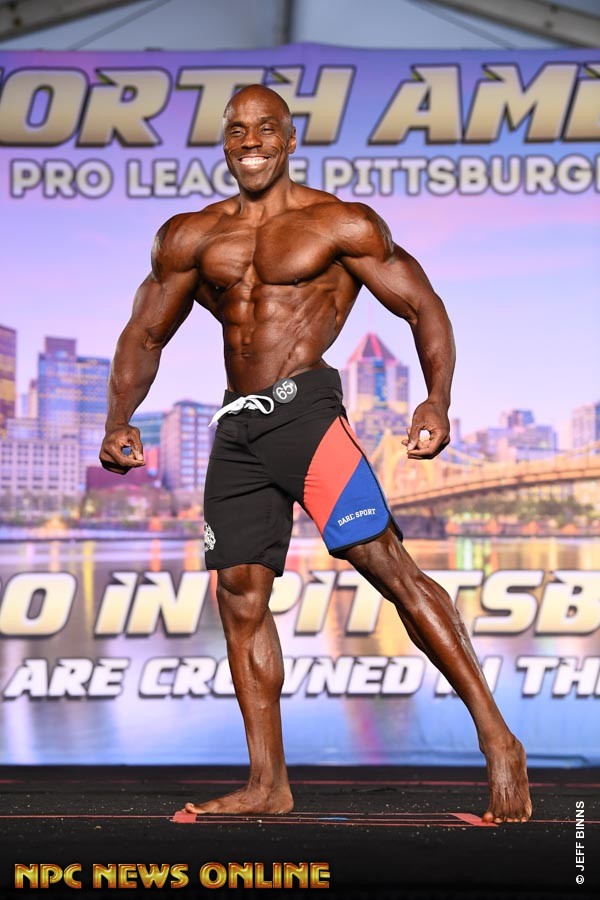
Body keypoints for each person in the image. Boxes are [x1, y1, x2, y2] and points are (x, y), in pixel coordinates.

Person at [100, 85, 532, 824]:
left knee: (390, 570)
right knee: (239, 594)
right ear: (225, 142)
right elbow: (145, 333)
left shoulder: (339, 223)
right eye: (237, 130)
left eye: (266, 128)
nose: (251, 142)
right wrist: (118, 418)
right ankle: (267, 784)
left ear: (290, 139)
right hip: (237, 430)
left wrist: (436, 399)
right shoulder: (189, 237)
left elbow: (421, 305)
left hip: (306, 416)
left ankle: (500, 743)